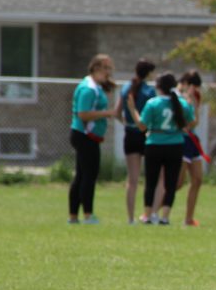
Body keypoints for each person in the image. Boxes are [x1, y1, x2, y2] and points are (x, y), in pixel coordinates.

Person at [128, 72, 195, 225]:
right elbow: (190, 123)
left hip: (154, 144)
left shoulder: (153, 103)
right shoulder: (181, 103)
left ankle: (148, 215)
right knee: (170, 183)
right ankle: (165, 217)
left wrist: (132, 110)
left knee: (151, 182)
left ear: (158, 87)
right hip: (175, 145)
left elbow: (142, 126)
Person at [68, 54, 116, 224]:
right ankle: (87, 214)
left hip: (88, 136)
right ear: (96, 68)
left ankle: (74, 216)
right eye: (106, 68)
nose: (109, 72)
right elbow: (83, 114)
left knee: (81, 175)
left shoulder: (96, 86)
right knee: (89, 175)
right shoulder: (89, 88)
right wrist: (108, 113)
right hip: (85, 136)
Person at [116, 58, 156, 224]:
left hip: (130, 134)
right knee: (150, 177)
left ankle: (130, 218)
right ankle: (149, 214)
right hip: (145, 136)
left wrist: (127, 123)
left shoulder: (125, 89)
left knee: (132, 180)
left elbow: (117, 113)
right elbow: (150, 117)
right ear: (148, 73)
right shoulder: (149, 92)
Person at [177, 70, 206, 227]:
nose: (197, 90)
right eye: (195, 86)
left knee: (197, 179)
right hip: (181, 141)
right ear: (188, 84)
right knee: (178, 183)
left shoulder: (194, 97)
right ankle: (152, 211)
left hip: (192, 140)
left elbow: (195, 122)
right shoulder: (177, 96)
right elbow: (189, 123)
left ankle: (188, 218)